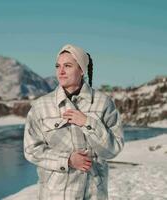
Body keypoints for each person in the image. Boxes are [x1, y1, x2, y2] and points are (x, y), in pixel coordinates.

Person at [23, 44, 124, 200]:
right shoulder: (41, 106)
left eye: (68, 66)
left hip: (94, 194)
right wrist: (67, 160)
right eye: (58, 66)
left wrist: (87, 122)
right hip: (55, 194)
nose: (61, 71)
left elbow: (113, 150)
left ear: (82, 70)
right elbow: (31, 150)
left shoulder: (103, 103)